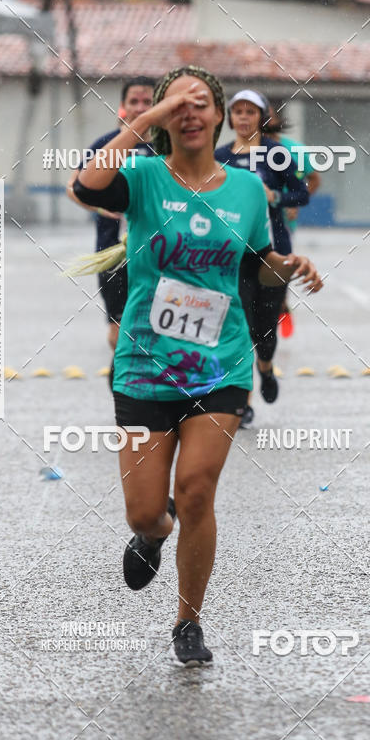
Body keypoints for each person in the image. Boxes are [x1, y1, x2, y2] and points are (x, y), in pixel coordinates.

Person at [73, 65, 323, 665]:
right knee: (146, 509)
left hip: (222, 364)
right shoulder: (143, 175)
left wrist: (289, 268)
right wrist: (148, 120)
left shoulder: (243, 188)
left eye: (201, 103)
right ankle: (151, 536)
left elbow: (257, 264)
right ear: (163, 115)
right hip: (143, 365)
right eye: (177, 104)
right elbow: (85, 187)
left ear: (218, 116)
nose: (191, 112)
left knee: (196, 491)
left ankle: (189, 621)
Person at [215, 89, 310, 427]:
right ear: (229, 118)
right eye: (237, 112)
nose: (243, 118)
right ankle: (243, 401)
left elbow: (302, 192)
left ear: (261, 117)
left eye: (249, 112)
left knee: (264, 328)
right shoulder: (219, 156)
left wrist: (276, 196)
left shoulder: (275, 153)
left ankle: (266, 368)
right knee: (238, 324)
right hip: (235, 254)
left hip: (273, 253)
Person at [67, 77, 154, 352]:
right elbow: (73, 187)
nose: (141, 107)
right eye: (134, 102)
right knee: (118, 332)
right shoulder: (106, 145)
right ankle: (124, 384)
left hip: (157, 253)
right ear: (123, 107)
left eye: (148, 102)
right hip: (112, 251)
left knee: (156, 330)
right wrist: (100, 206)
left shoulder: (168, 147)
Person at [266, 108, 322, 338]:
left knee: (281, 265)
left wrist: (294, 203)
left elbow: (314, 179)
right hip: (251, 220)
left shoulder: (294, 149)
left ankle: (281, 306)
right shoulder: (247, 149)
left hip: (282, 221)